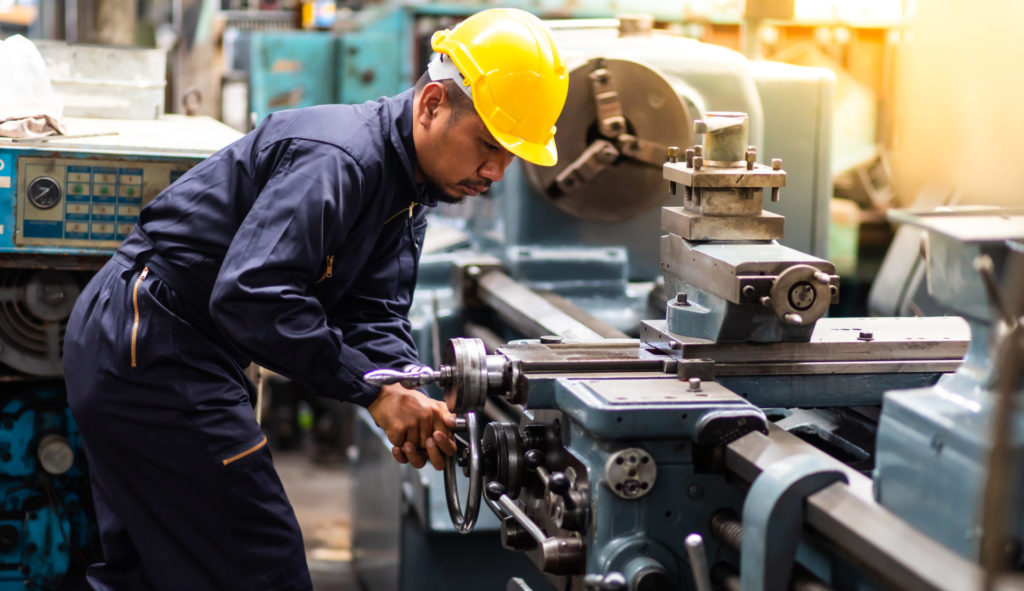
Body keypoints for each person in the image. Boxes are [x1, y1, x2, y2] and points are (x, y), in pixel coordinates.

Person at [61, 8, 567, 591]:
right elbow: (252, 295)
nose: (496, 170)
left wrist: (410, 388)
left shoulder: (407, 189)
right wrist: (374, 390)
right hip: (150, 339)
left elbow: (371, 311)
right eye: (488, 144)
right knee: (261, 564)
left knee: (148, 574)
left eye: (511, 156)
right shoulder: (342, 158)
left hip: (163, 342)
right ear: (432, 104)